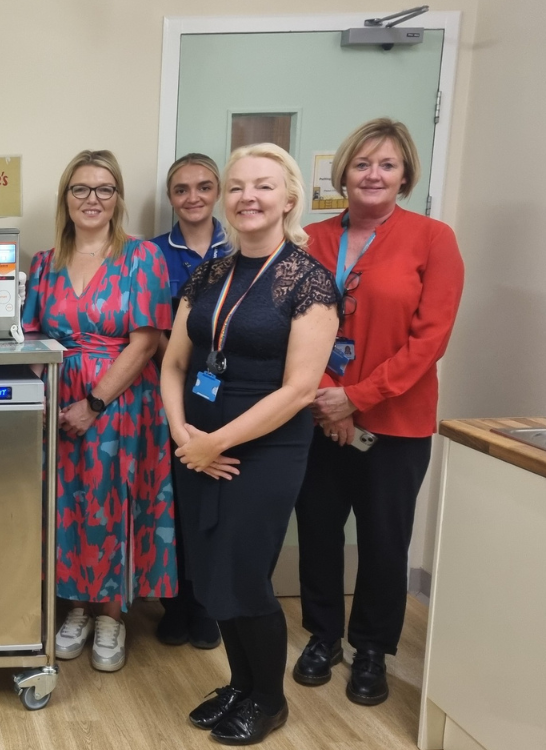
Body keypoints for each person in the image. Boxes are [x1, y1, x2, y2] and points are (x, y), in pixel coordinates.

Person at [160, 143, 338, 745]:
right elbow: (173, 363)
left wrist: (217, 442)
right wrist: (183, 432)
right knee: (210, 568)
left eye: (262, 186)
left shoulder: (308, 282)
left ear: (289, 198)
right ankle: (240, 682)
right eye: (236, 187)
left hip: (263, 448)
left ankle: (269, 698)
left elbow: (299, 390)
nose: (247, 198)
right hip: (197, 443)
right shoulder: (208, 274)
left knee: (243, 574)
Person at [293, 118, 464, 705]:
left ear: (405, 175)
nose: (373, 175)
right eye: (362, 164)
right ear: (343, 172)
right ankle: (323, 636)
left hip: (397, 423)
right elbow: (295, 330)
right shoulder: (310, 240)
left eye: (386, 165)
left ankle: (372, 650)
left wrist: (356, 398)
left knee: (384, 542)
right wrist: (327, 399)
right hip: (318, 417)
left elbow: (430, 339)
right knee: (316, 531)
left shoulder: (433, 239)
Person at [21, 149, 174, 673]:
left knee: (113, 504)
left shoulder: (142, 258)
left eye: (103, 189)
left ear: (118, 198)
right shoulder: (44, 263)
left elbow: (145, 342)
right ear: (66, 198)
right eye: (80, 189)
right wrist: (37, 401)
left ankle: (111, 614)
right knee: (66, 506)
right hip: (58, 401)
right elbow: (33, 338)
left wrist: (93, 403)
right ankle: (77, 608)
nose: (92, 199)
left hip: (121, 402)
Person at [148, 153, 230, 650]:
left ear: (217, 190)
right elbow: (155, 326)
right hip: (173, 387)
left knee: (218, 500)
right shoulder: (153, 254)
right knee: (175, 501)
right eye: (181, 189)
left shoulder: (240, 244)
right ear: (170, 197)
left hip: (233, 394)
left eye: (203, 186)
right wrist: (176, 364)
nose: (193, 197)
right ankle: (175, 602)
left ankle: (208, 606)